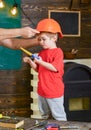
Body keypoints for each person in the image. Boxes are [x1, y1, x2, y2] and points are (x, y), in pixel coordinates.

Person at [23, 18, 67, 121]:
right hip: (42, 90)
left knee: (59, 117)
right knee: (44, 117)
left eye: (43, 39)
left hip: (53, 91)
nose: (41, 42)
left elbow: (54, 68)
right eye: (39, 40)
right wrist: (31, 62)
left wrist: (39, 61)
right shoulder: (42, 53)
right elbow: (39, 69)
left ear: (54, 38)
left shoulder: (58, 52)